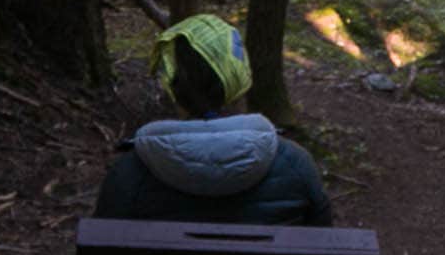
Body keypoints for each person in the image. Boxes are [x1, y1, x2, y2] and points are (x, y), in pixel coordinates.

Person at [93, 14, 333, 226]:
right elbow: (325, 252)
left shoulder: (131, 172)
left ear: (176, 87)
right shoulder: (295, 165)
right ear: (238, 77)